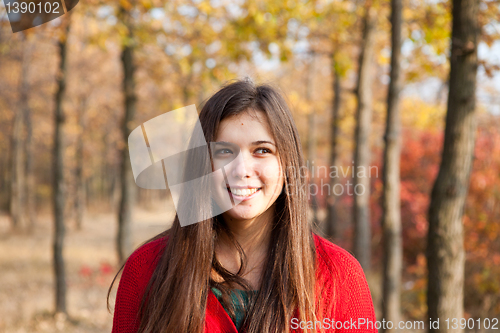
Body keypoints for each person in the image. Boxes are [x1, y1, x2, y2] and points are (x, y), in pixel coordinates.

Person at [108, 79, 377, 333]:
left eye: (262, 150)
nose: (242, 170)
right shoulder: (146, 270)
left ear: (287, 165)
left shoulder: (340, 276)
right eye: (224, 151)